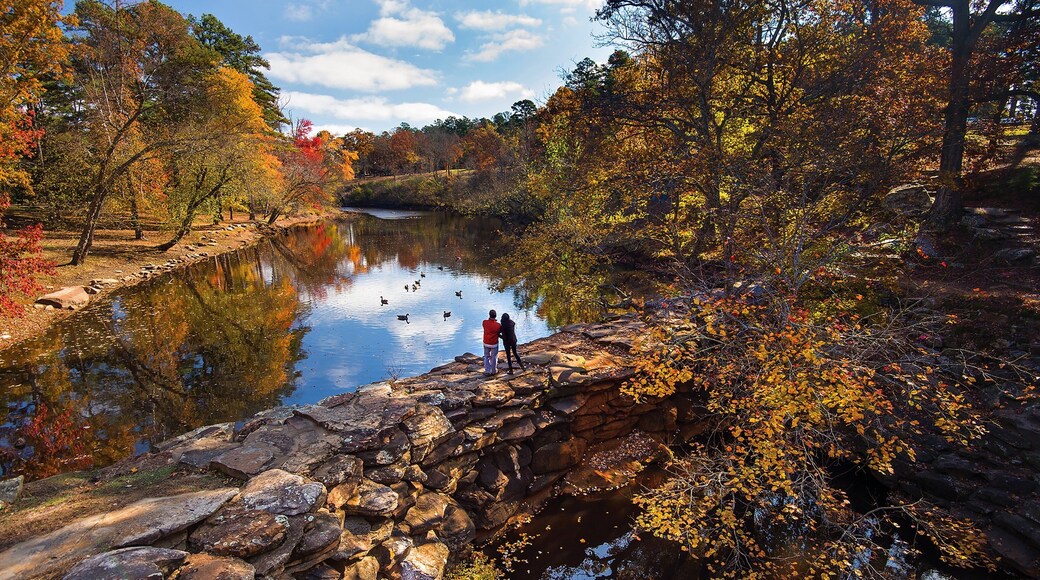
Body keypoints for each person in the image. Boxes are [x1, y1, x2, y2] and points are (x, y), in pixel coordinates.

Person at [482, 309, 501, 376]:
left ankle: (487, 370)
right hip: (494, 343)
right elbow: (499, 332)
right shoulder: (498, 325)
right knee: (494, 357)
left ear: (489, 315)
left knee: (486, 357)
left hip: (486, 342)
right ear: (495, 316)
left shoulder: (484, 322)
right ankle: (494, 371)